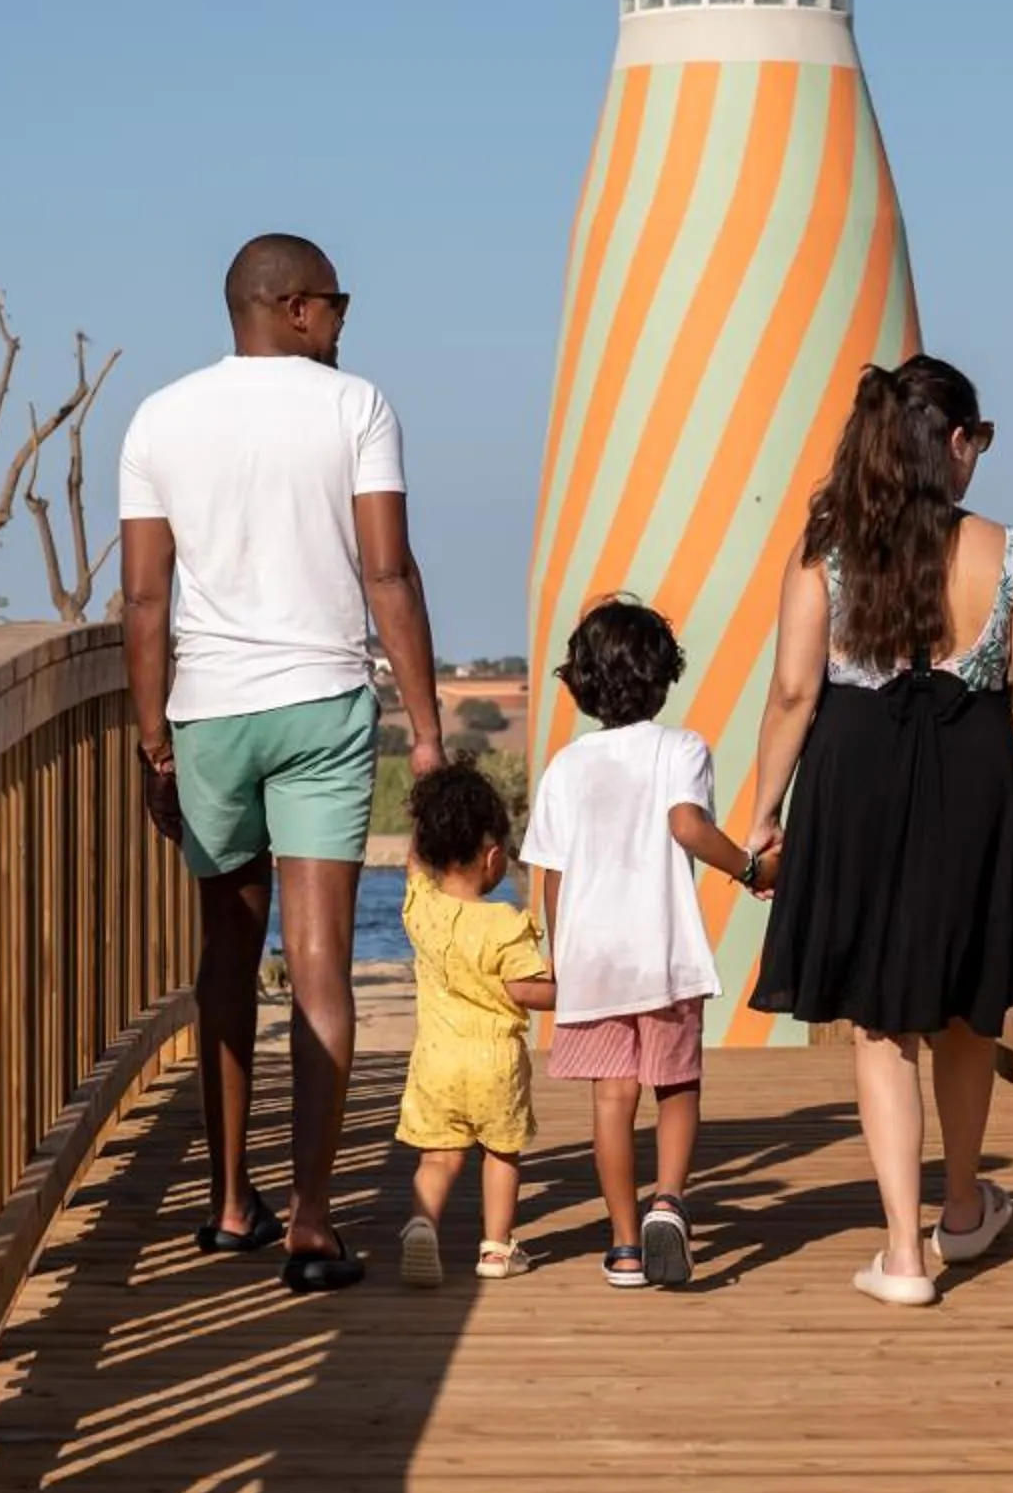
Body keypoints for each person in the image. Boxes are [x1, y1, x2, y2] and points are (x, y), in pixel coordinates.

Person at [119, 233, 449, 1295]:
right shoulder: (355, 408)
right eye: (339, 303)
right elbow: (385, 568)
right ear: (297, 308)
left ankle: (228, 1203)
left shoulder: (160, 417)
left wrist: (152, 739)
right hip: (321, 704)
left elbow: (142, 598)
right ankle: (310, 1222)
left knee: (226, 951)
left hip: (210, 709)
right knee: (320, 964)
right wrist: (429, 727)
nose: (348, 322)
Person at [745, 355, 1013, 1308]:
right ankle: (966, 1205)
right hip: (975, 776)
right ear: (949, 442)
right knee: (967, 1003)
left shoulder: (828, 546)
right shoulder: (1009, 552)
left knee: (882, 1018)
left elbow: (791, 693)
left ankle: (904, 1254)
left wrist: (766, 813)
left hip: (856, 777)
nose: (978, 456)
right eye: (976, 439)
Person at [522, 598, 760, 1289]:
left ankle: (625, 1245)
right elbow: (687, 825)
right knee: (677, 1084)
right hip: (662, 951)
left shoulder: (566, 766)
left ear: (583, 682)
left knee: (611, 1101)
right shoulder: (681, 749)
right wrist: (747, 867)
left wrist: (562, 959)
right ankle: (669, 1202)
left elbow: (553, 876)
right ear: (662, 678)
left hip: (592, 958)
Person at [393, 762, 555, 1288]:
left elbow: (414, 863)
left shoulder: (422, 909)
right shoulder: (505, 925)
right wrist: (571, 989)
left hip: (436, 1061)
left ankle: (422, 1225)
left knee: (438, 1157)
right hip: (494, 1064)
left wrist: (427, 819)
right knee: (500, 1154)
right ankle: (495, 1248)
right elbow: (526, 989)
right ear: (492, 858)